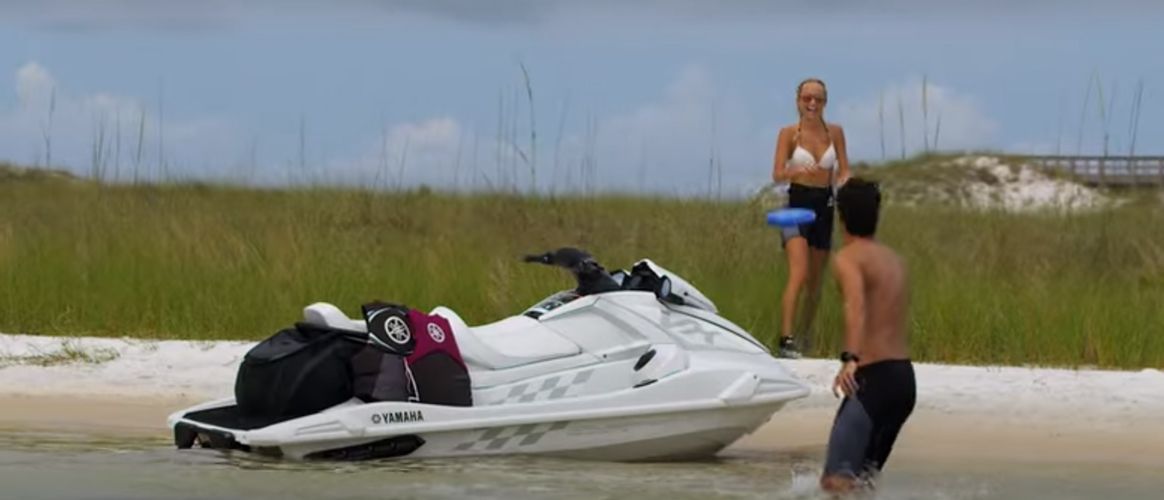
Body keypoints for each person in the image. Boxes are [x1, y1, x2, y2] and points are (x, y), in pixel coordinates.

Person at [819, 178, 916, 494]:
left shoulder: (848, 258)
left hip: (872, 378)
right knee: (862, 482)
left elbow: (856, 305)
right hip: (903, 381)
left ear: (841, 217)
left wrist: (850, 358)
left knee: (836, 481)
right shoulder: (895, 261)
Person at [771, 77, 852, 358]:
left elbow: (844, 169)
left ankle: (805, 335)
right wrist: (795, 171)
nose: (812, 104)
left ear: (825, 102)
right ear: (798, 101)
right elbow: (777, 174)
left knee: (816, 283)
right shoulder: (788, 134)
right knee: (800, 273)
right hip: (796, 205)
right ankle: (786, 338)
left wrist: (845, 182)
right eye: (807, 98)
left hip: (824, 206)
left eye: (818, 99)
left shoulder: (836, 133)